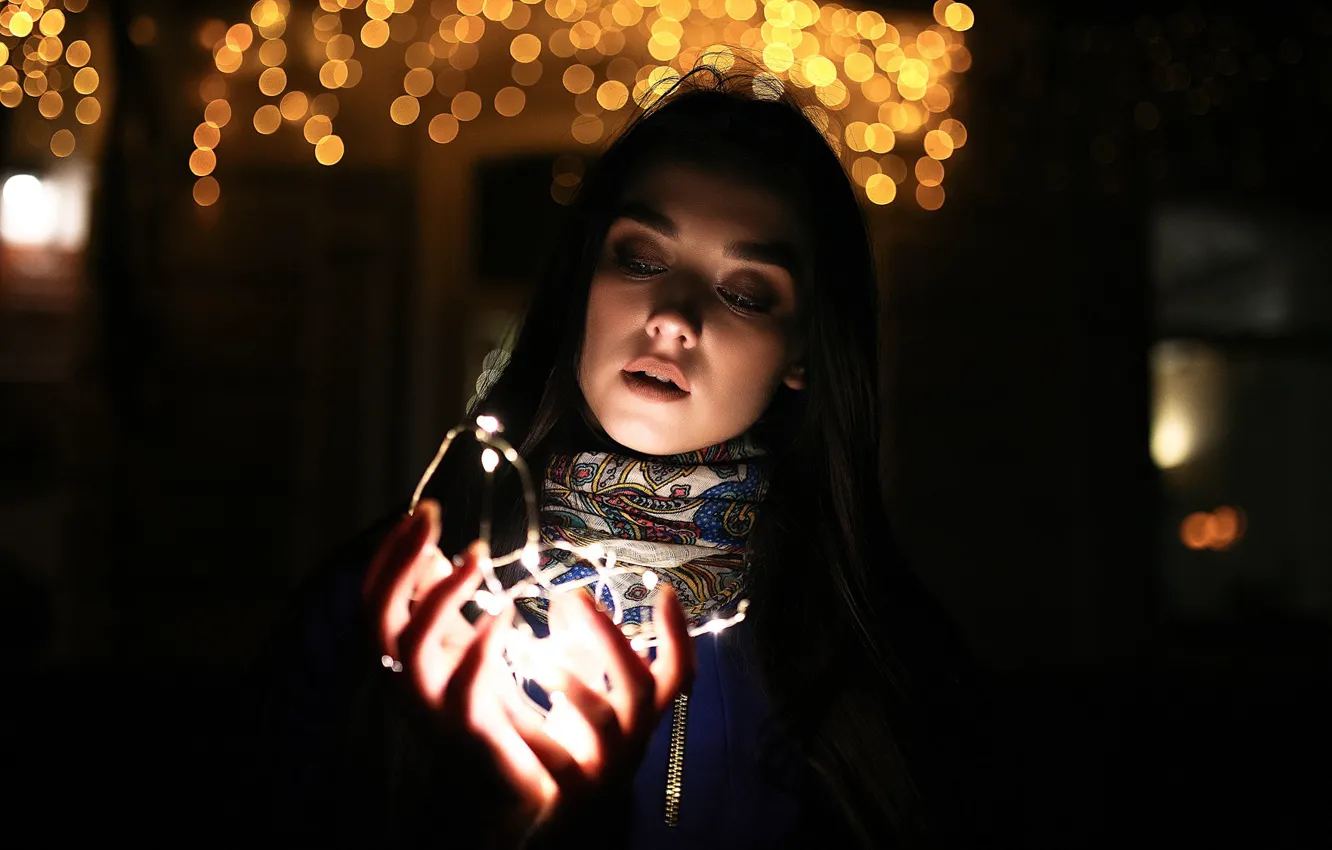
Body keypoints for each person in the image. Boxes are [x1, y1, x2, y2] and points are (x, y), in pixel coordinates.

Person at [257, 63, 990, 849]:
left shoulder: (885, 664)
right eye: (641, 258)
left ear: (803, 351)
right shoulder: (378, 613)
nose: (674, 318)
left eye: (746, 292)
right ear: (583, 283)